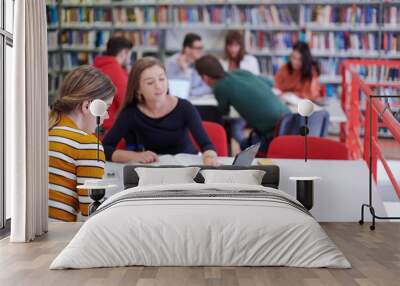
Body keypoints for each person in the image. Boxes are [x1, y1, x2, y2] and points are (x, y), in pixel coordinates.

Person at [103, 57, 219, 166]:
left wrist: (210, 157)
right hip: (152, 171)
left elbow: (206, 145)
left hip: (187, 168)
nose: (158, 86)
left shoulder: (185, 107)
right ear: (138, 89)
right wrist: (134, 156)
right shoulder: (131, 114)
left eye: (162, 79)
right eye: (150, 82)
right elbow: (104, 149)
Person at [48, 66, 116, 222]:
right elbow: (93, 215)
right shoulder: (87, 144)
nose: (106, 116)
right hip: (59, 239)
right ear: (87, 106)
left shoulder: (44, 131)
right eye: (106, 108)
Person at [195, 55, 291, 149]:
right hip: (289, 119)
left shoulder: (220, 87)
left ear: (205, 77)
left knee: (244, 145)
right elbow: (270, 83)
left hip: (273, 132)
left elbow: (224, 112)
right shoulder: (240, 72)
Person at [94, 36, 133, 131]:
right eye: (130, 54)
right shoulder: (116, 72)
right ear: (124, 52)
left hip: (96, 125)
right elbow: (126, 103)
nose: (130, 58)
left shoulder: (96, 66)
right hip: (110, 127)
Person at [165, 33, 212, 97]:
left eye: (202, 48)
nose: (201, 51)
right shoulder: (171, 63)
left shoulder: (201, 62)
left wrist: (191, 92)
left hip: (198, 101)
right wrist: (185, 70)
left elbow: (208, 87)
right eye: (198, 48)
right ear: (187, 49)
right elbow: (176, 90)